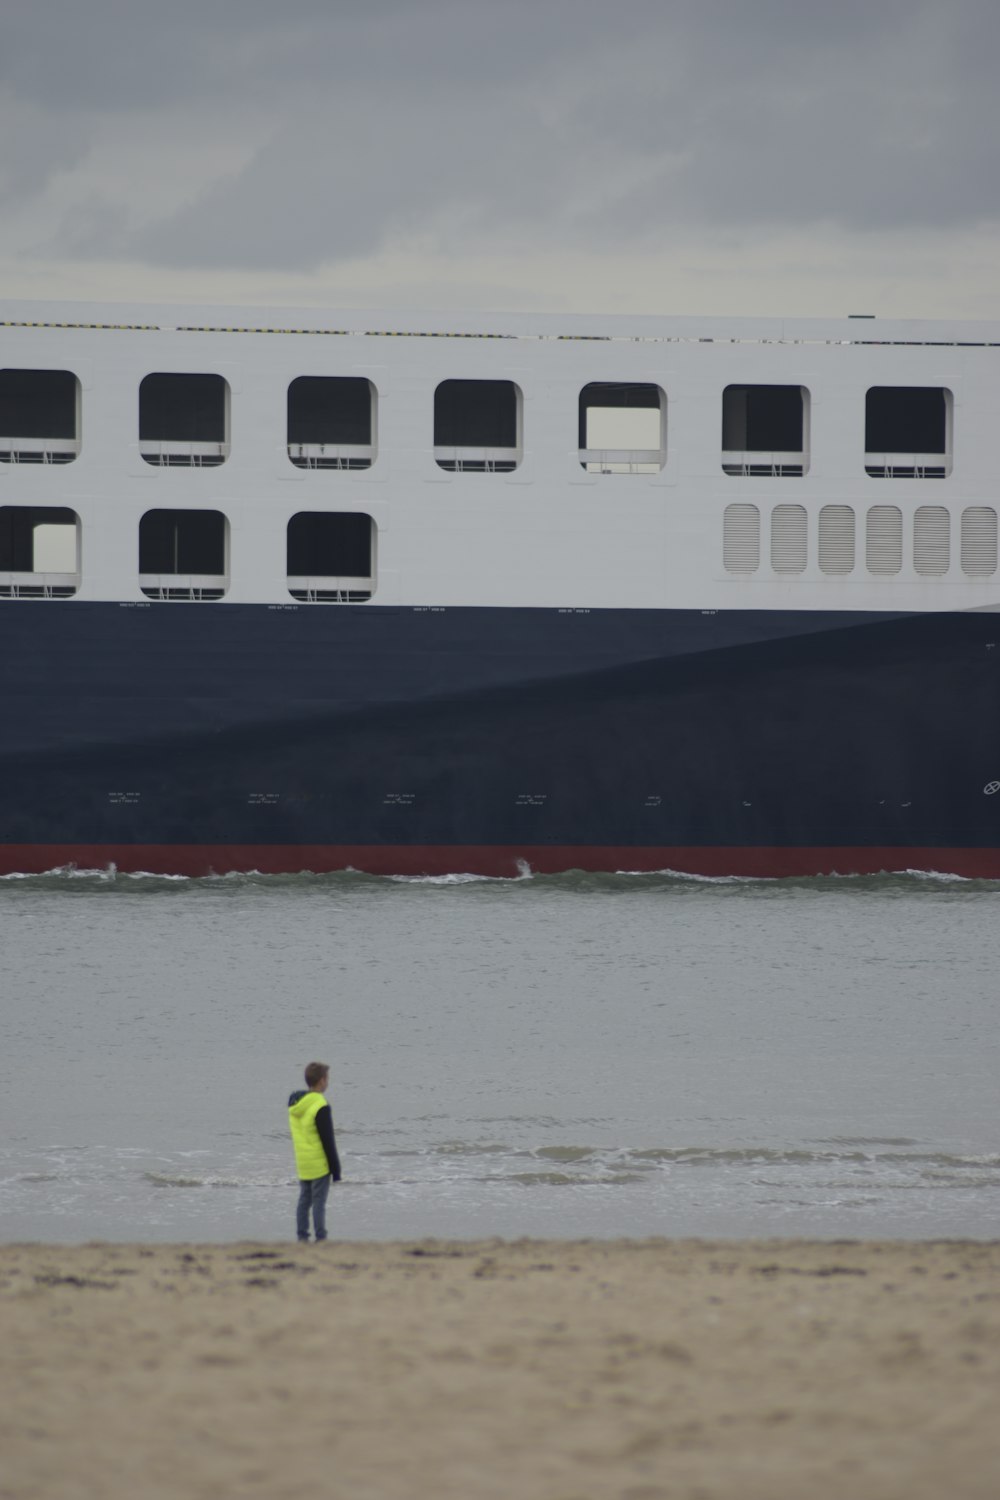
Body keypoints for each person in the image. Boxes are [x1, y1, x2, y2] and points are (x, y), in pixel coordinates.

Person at [288, 1060, 341, 1242]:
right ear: (321, 1081)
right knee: (319, 1203)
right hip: (319, 1163)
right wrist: (336, 1168)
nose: (328, 1082)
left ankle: (302, 1236)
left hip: (303, 1162)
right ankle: (321, 1237)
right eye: (327, 1079)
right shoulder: (320, 1105)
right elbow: (328, 1139)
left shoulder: (296, 1105)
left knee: (304, 1201)